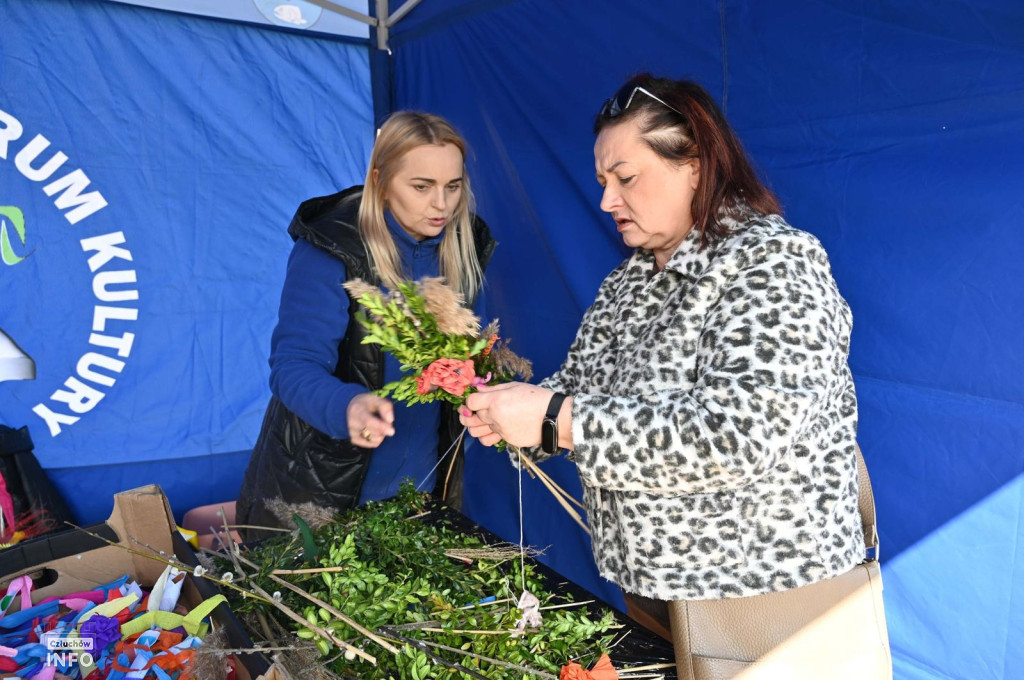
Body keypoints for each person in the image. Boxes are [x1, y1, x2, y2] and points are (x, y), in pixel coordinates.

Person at [460, 75, 865, 655]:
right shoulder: (628, 281)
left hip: (760, 596)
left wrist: (555, 418)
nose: (606, 200)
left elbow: (737, 436)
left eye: (625, 178)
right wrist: (507, 413)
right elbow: (577, 391)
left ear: (695, 164)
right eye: (602, 181)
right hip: (651, 587)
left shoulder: (773, 263)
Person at [238, 111, 495, 535]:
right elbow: (293, 366)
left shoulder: (464, 246)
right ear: (380, 179)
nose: (441, 204)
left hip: (421, 493)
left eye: (453, 186)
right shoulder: (331, 247)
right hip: (322, 494)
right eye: (421, 186)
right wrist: (347, 406)